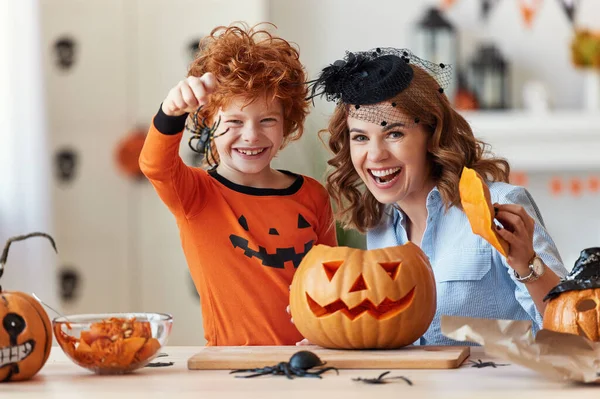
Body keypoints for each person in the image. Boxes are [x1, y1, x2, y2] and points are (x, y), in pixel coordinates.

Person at [308, 47, 568, 345]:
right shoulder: (378, 227)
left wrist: (527, 264)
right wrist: (326, 329)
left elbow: (573, 332)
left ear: (433, 135)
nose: (375, 155)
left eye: (394, 134)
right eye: (361, 138)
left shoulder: (500, 205)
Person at [139, 23, 337, 346]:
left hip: (308, 365)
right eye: (233, 122)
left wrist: (327, 333)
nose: (251, 135)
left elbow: (333, 279)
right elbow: (155, 165)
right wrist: (171, 112)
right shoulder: (196, 195)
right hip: (228, 370)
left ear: (287, 123)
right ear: (207, 122)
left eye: (267, 120)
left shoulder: (312, 195)